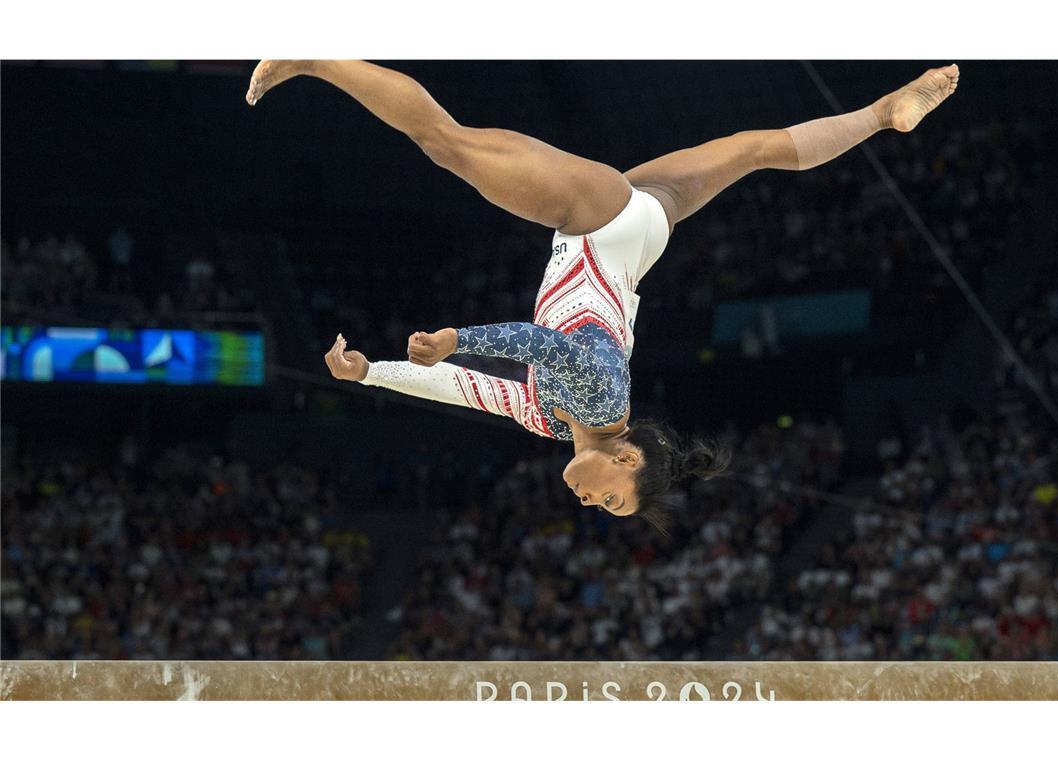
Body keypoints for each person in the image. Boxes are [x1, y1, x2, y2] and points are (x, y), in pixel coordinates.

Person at [248, 60, 960, 530]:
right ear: (627, 459)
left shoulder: (550, 421)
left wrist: (373, 372)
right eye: (612, 498)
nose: (593, 501)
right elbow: (543, 344)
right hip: (597, 224)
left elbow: (464, 393)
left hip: (639, 240)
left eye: (601, 507)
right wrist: (456, 340)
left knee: (752, 148)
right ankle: (313, 56)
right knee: (446, 144)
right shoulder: (600, 401)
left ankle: (880, 114)